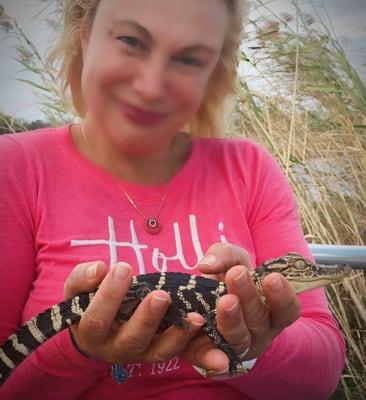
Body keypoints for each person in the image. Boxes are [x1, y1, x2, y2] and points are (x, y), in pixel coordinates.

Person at [0, 0, 345, 399]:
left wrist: (252, 346)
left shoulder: (250, 167)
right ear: (84, 32)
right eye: (131, 40)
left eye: (191, 59)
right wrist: (79, 349)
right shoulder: (14, 166)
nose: (152, 85)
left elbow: (321, 374)